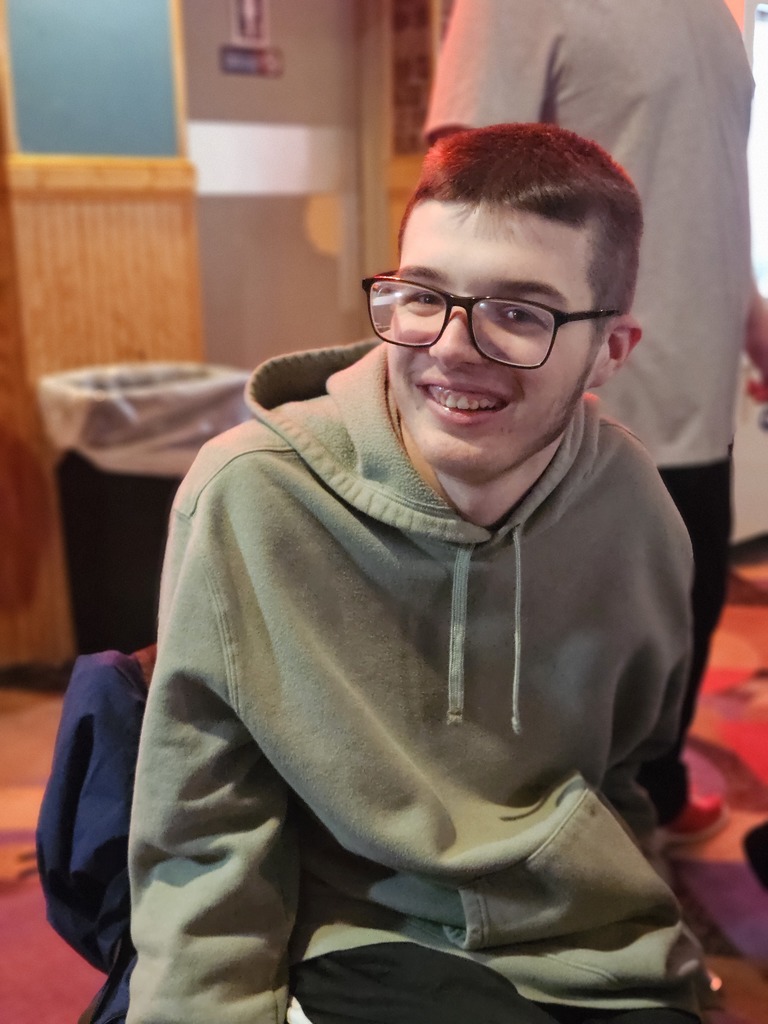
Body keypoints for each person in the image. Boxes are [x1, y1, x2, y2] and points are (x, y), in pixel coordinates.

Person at [127, 123, 703, 1024]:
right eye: (423, 296)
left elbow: (624, 772)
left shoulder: (634, 509)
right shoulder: (253, 496)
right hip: (366, 946)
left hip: (592, 949)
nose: (454, 345)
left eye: (521, 311)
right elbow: (205, 835)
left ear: (611, 351)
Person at [425, 0, 768, 844]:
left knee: (685, 609)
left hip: (698, 380)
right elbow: (457, 188)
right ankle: (548, 854)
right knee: (559, 654)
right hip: (577, 393)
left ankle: (647, 796)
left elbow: (711, 192)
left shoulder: (718, 18)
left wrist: (756, 320)